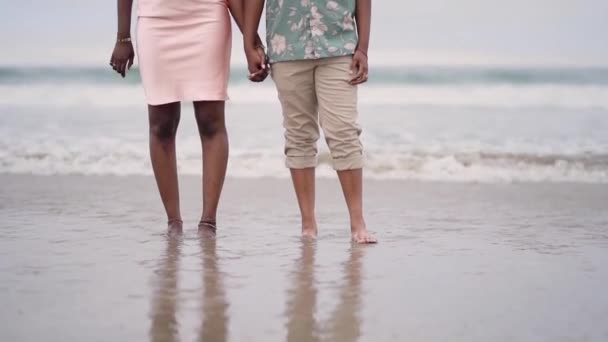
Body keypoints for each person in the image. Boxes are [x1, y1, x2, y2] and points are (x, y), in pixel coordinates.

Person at [110, 0, 267, 233]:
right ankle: (173, 221)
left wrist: (250, 40)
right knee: (161, 124)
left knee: (210, 120)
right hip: (155, 20)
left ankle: (208, 221)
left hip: (207, 16)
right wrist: (123, 36)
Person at [244, 0, 377, 243]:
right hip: (287, 44)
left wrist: (363, 48)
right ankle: (308, 224)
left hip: (338, 43)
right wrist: (249, 42)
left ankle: (358, 223)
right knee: (298, 135)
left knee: (343, 131)